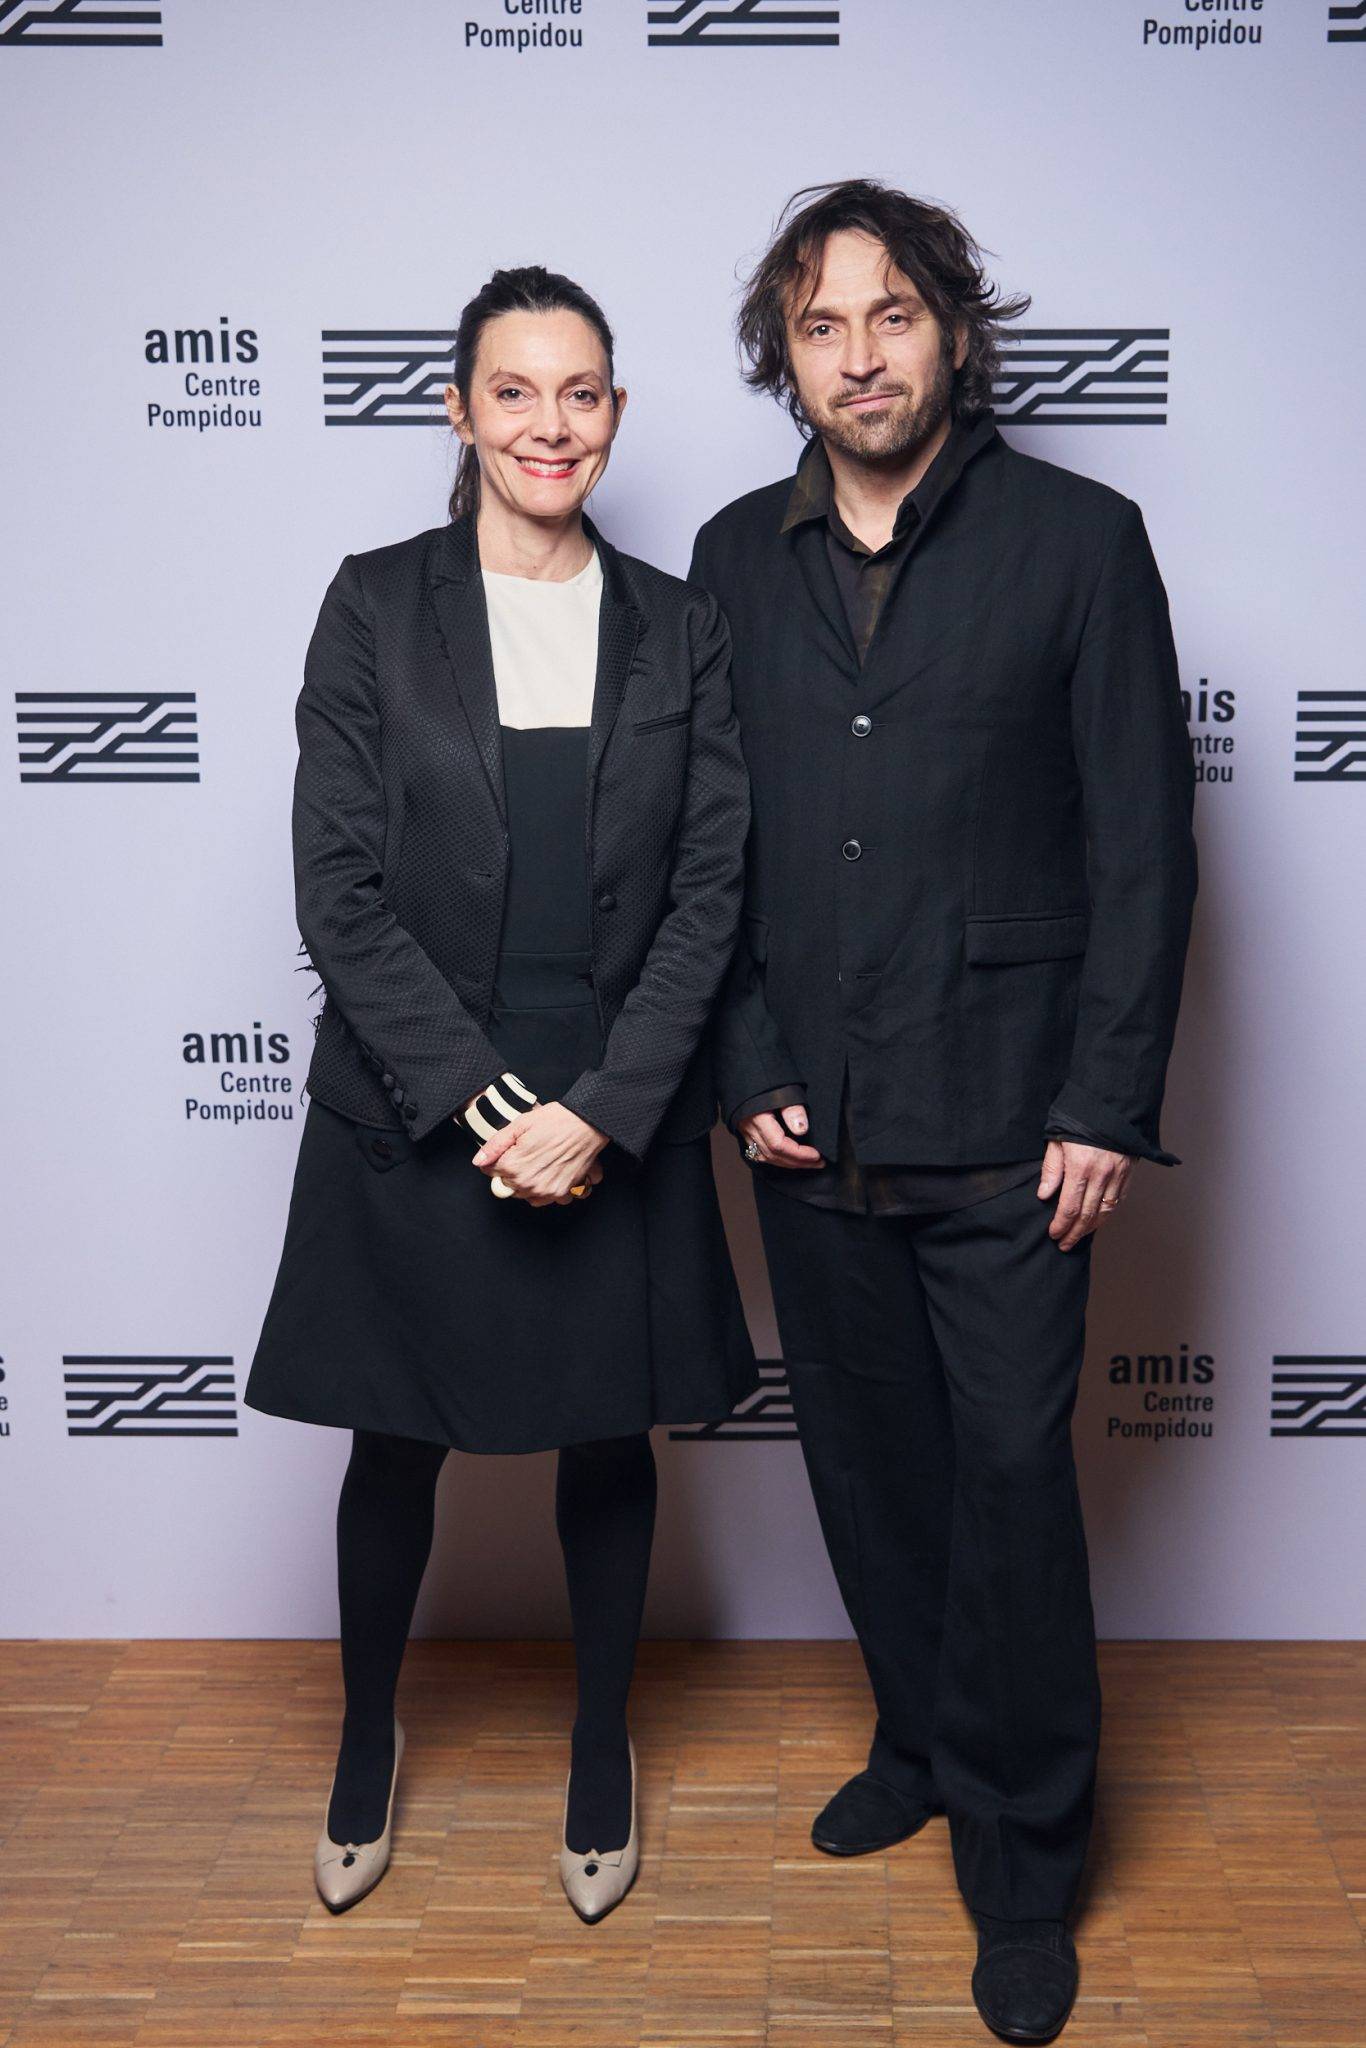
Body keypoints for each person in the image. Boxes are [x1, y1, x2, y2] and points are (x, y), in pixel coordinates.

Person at [687, 181, 1197, 2044]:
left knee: (1007, 1484)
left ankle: (1026, 1850)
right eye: (820, 326)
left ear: (954, 335)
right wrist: (745, 1065)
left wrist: (1103, 1101)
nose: (858, 356)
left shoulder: (1080, 541)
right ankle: (915, 1739)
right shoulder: (732, 559)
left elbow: (1144, 849)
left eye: (890, 315)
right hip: (810, 1123)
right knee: (870, 1470)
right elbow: (707, 848)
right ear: (785, 356)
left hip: (1010, 1121)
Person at [245, 264, 758, 1926]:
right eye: (516, 391)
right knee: (394, 1442)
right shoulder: (371, 605)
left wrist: (603, 1106)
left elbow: (711, 892)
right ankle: (365, 1738)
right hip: (420, 1099)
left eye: (580, 392)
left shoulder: (681, 623)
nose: (551, 424)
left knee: (607, 1439)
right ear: (460, 412)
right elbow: (337, 890)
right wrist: (479, 1100)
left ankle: (602, 1747)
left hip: (613, 1095)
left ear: (615, 414)